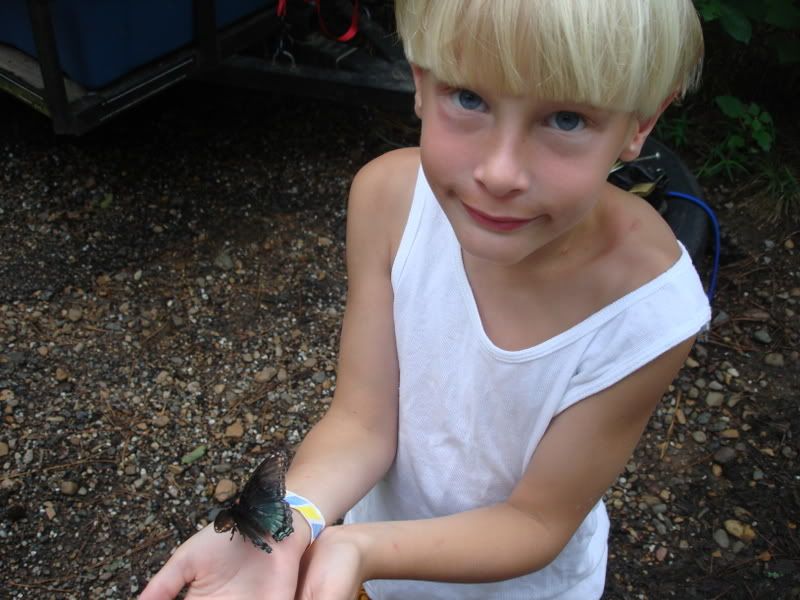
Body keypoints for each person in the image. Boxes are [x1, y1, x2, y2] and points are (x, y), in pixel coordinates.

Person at [140, 1, 710, 598]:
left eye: (566, 119)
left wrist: (358, 547)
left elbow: (536, 519)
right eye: (469, 98)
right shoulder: (388, 199)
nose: (499, 172)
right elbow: (362, 420)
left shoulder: (648, 310)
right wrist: (294, 527)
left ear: (639, 123)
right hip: (363, 567)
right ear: (420, 81)